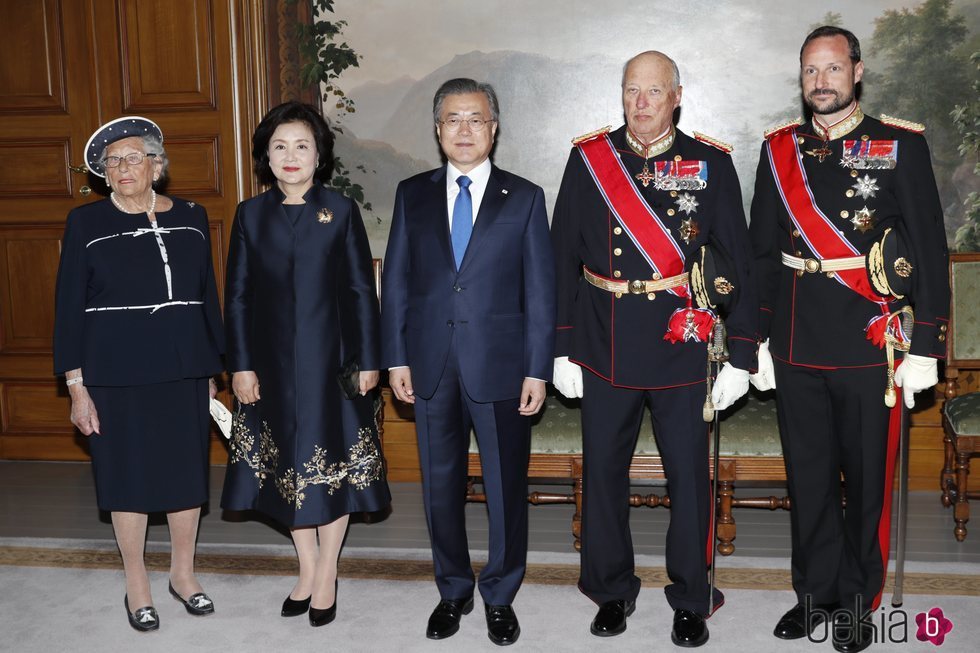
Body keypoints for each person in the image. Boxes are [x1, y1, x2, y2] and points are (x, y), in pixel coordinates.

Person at [749, 26, 949, 653]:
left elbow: (930, 252)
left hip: (871, 346)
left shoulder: (899, 145)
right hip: (796, 342)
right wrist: (753, 338)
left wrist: (927, 345)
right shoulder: (779, 149)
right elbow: (760, 252)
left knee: (865, 484)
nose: (821, 81)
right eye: (811, 70)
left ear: (857, 73)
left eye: (833, 69)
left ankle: (860, 603)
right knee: (807, 481)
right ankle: (814, 597)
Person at [550, 51, 757, 647]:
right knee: (605, 476)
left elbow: (739, 260)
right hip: (603, 339)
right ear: (622, 95)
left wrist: (741, 354)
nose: (641, 103)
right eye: (631, 91)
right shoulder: (590, 158)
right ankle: (611, 590)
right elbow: (562, 256)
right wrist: (561, 348)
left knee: (689, 480)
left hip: (682, 342)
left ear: (677, 96)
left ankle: (691, 596)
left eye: (654, 91)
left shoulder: (710, 163)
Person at [381, 78, 555, 646]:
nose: (463, 130)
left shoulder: (525, 198)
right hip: (429, 363)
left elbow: (540, 292)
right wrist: (396, 357)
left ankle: (500, 593)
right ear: (437, 130)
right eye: (452, 119)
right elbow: (397, 284)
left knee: (506, 485)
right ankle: (452, 589)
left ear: (494, 128)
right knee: (439, 485)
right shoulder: (412, 195)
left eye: (475, 119)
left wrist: (537, 368)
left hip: (502, 365)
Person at [221, 101, 390, 628]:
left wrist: (368, 360)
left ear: (319, 155)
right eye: (279, 146)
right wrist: (240, 367)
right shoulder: (250, 215)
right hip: (267, 368)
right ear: (265, 157)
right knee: (286, 471)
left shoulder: (340, 211)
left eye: (301, 145)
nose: (290, 156)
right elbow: (239, 299)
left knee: (330, 468)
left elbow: (363, 292)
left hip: (332, 366)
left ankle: (328, 571)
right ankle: (308, 566)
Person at [53, 116, 225, 632]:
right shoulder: (84, 223)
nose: (123, 167)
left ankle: (183, 575)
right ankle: (137, 584)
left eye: (133, 157)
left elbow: (208, 299)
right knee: (125, 480)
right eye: (112, 161)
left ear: (157, 164)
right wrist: (76, 388)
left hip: (185, 369)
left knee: (185, 478)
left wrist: (214, 368)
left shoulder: (194, 215)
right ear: (103, 174)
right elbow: (67, 310)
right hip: (114, 375)